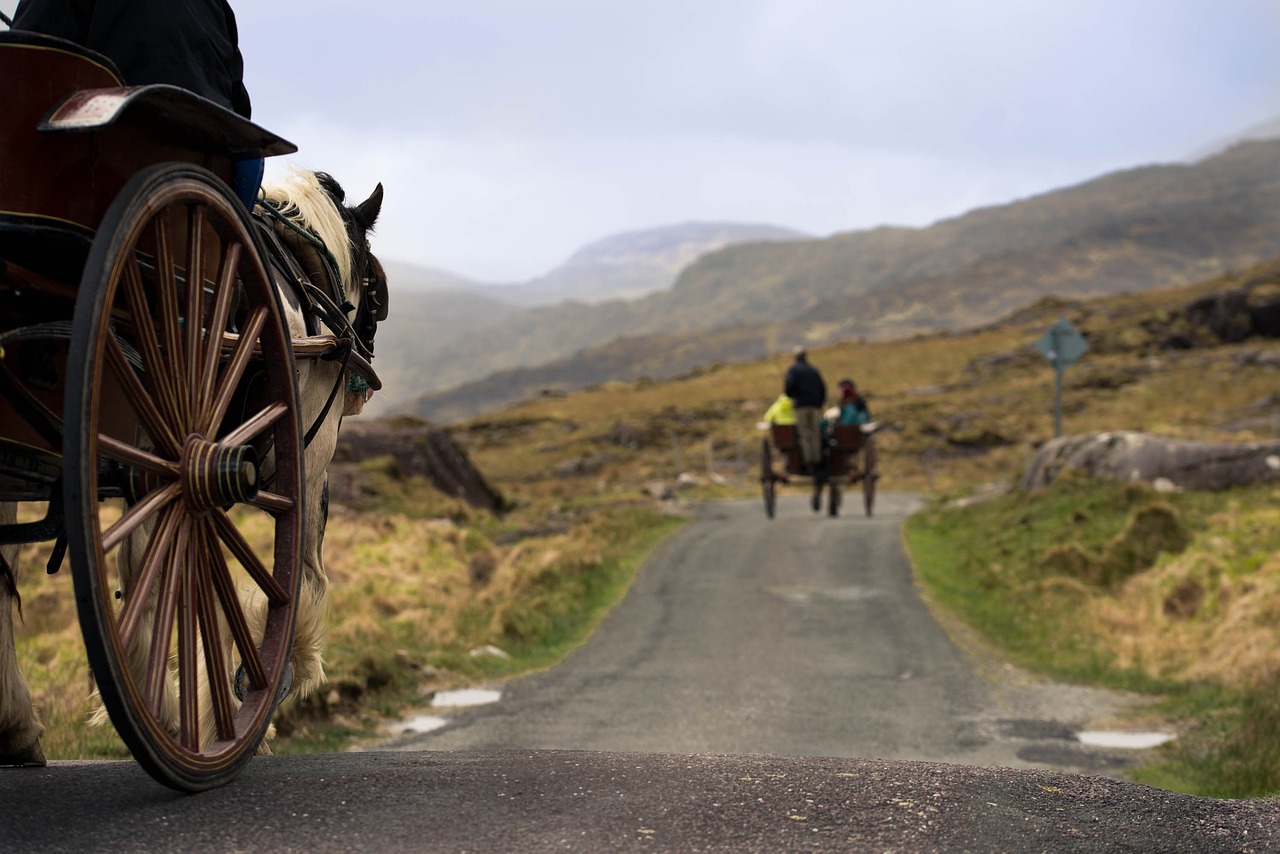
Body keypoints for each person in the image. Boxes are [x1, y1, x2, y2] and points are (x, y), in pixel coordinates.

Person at [11, 0, 263, 209]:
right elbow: (240, 113)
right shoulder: (217, 6)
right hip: (198, 210)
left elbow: (21, 67)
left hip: (93, 188)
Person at [783, 346, 826, 472]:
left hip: (801, 406)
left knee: (804, 434)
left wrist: (792, 396)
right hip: (815, 407)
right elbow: (822, 388)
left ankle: (809, 461)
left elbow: (788, 387)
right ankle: (817, 459)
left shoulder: (793, 370)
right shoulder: (814, 370)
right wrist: (819, 403)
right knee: (815, 433)